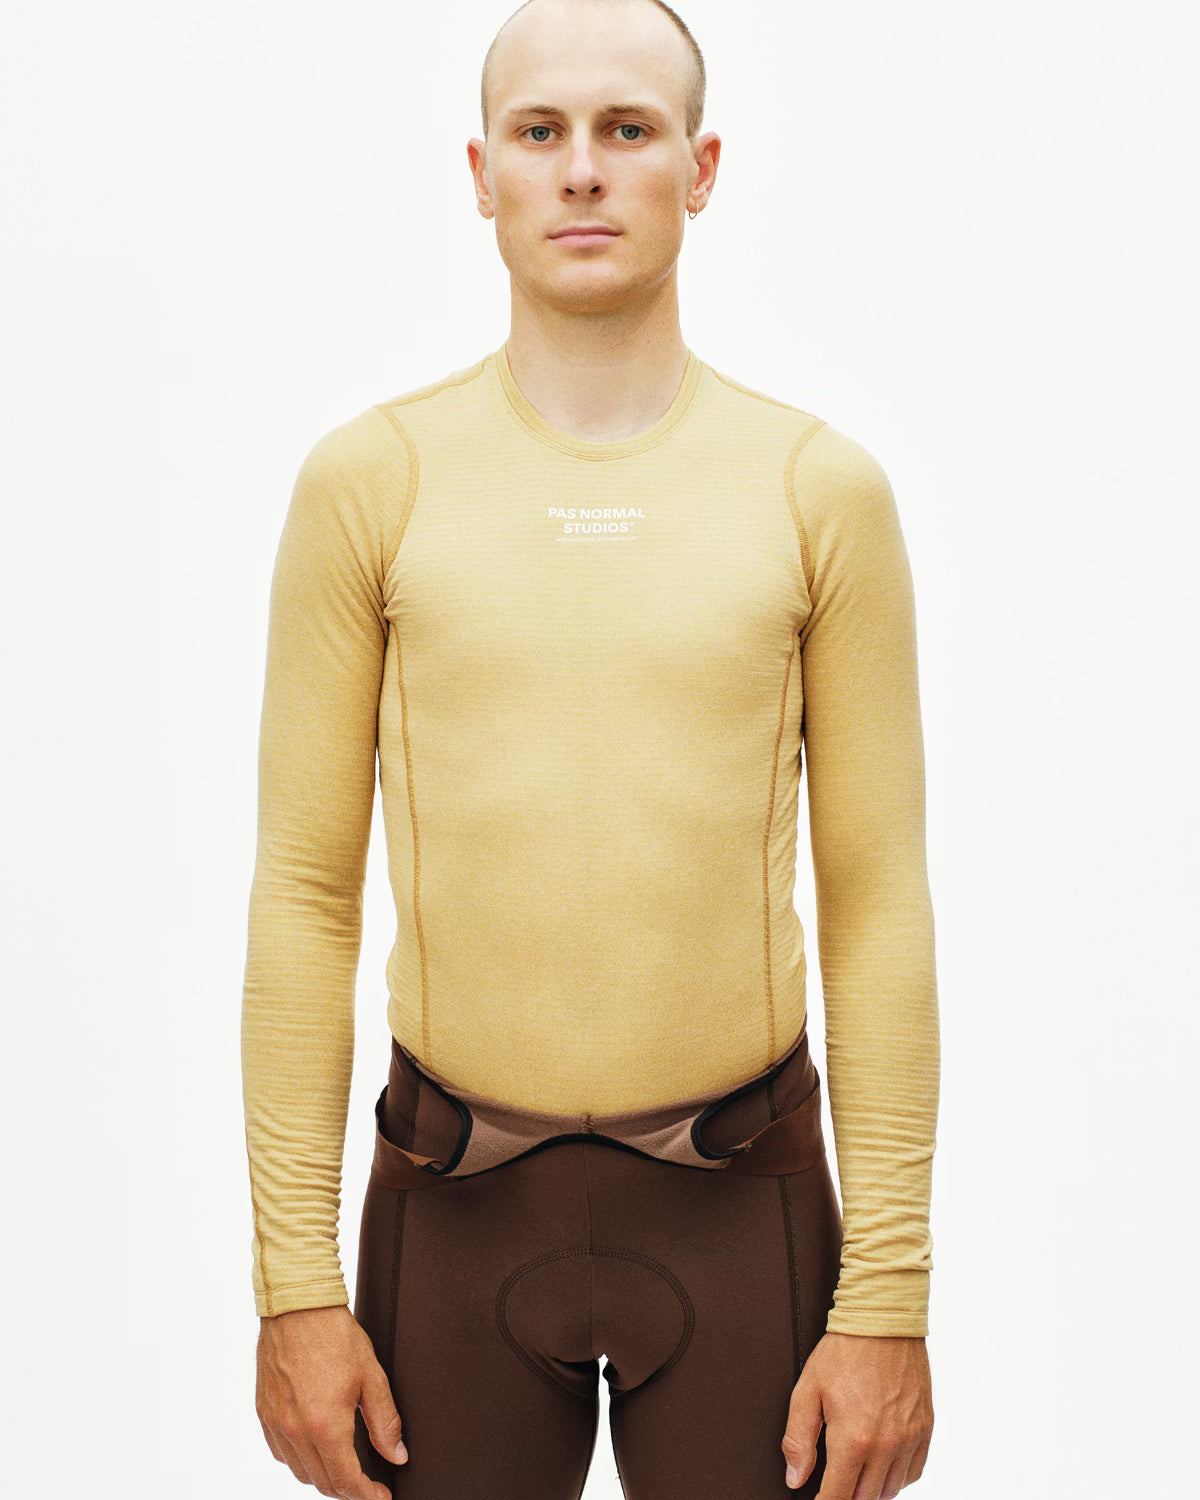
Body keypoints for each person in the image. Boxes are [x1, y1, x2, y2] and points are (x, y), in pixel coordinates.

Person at [241, 2, 940, 1498]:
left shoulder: (816, 490)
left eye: (627, 129)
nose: (580, 170)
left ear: (701, 168)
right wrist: (293, 1286)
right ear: (480, 171)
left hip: (743, 1212)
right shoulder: (375, 482)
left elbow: (878, 902)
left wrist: (887, 1297)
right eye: (540, 131)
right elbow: (303, 896)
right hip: (452, 1216)